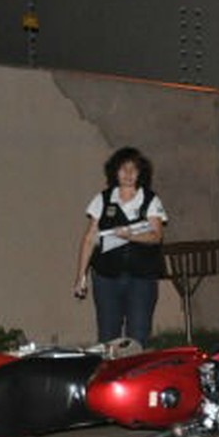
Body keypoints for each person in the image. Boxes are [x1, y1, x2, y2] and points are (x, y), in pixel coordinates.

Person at [74, 147, 168, 346]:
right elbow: (90, 238)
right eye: (123, 169)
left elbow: (156, 235)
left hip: (141, 276)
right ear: (114, 172)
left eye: (133, 169)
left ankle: (134, 375)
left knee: (138, 333)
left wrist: (131, 235)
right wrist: (80, 277)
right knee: (108, 335)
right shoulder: (103, 199)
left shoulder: (150, 199)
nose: (128, 174)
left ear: (141, 173)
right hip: (106, 276)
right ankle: (109, 373)